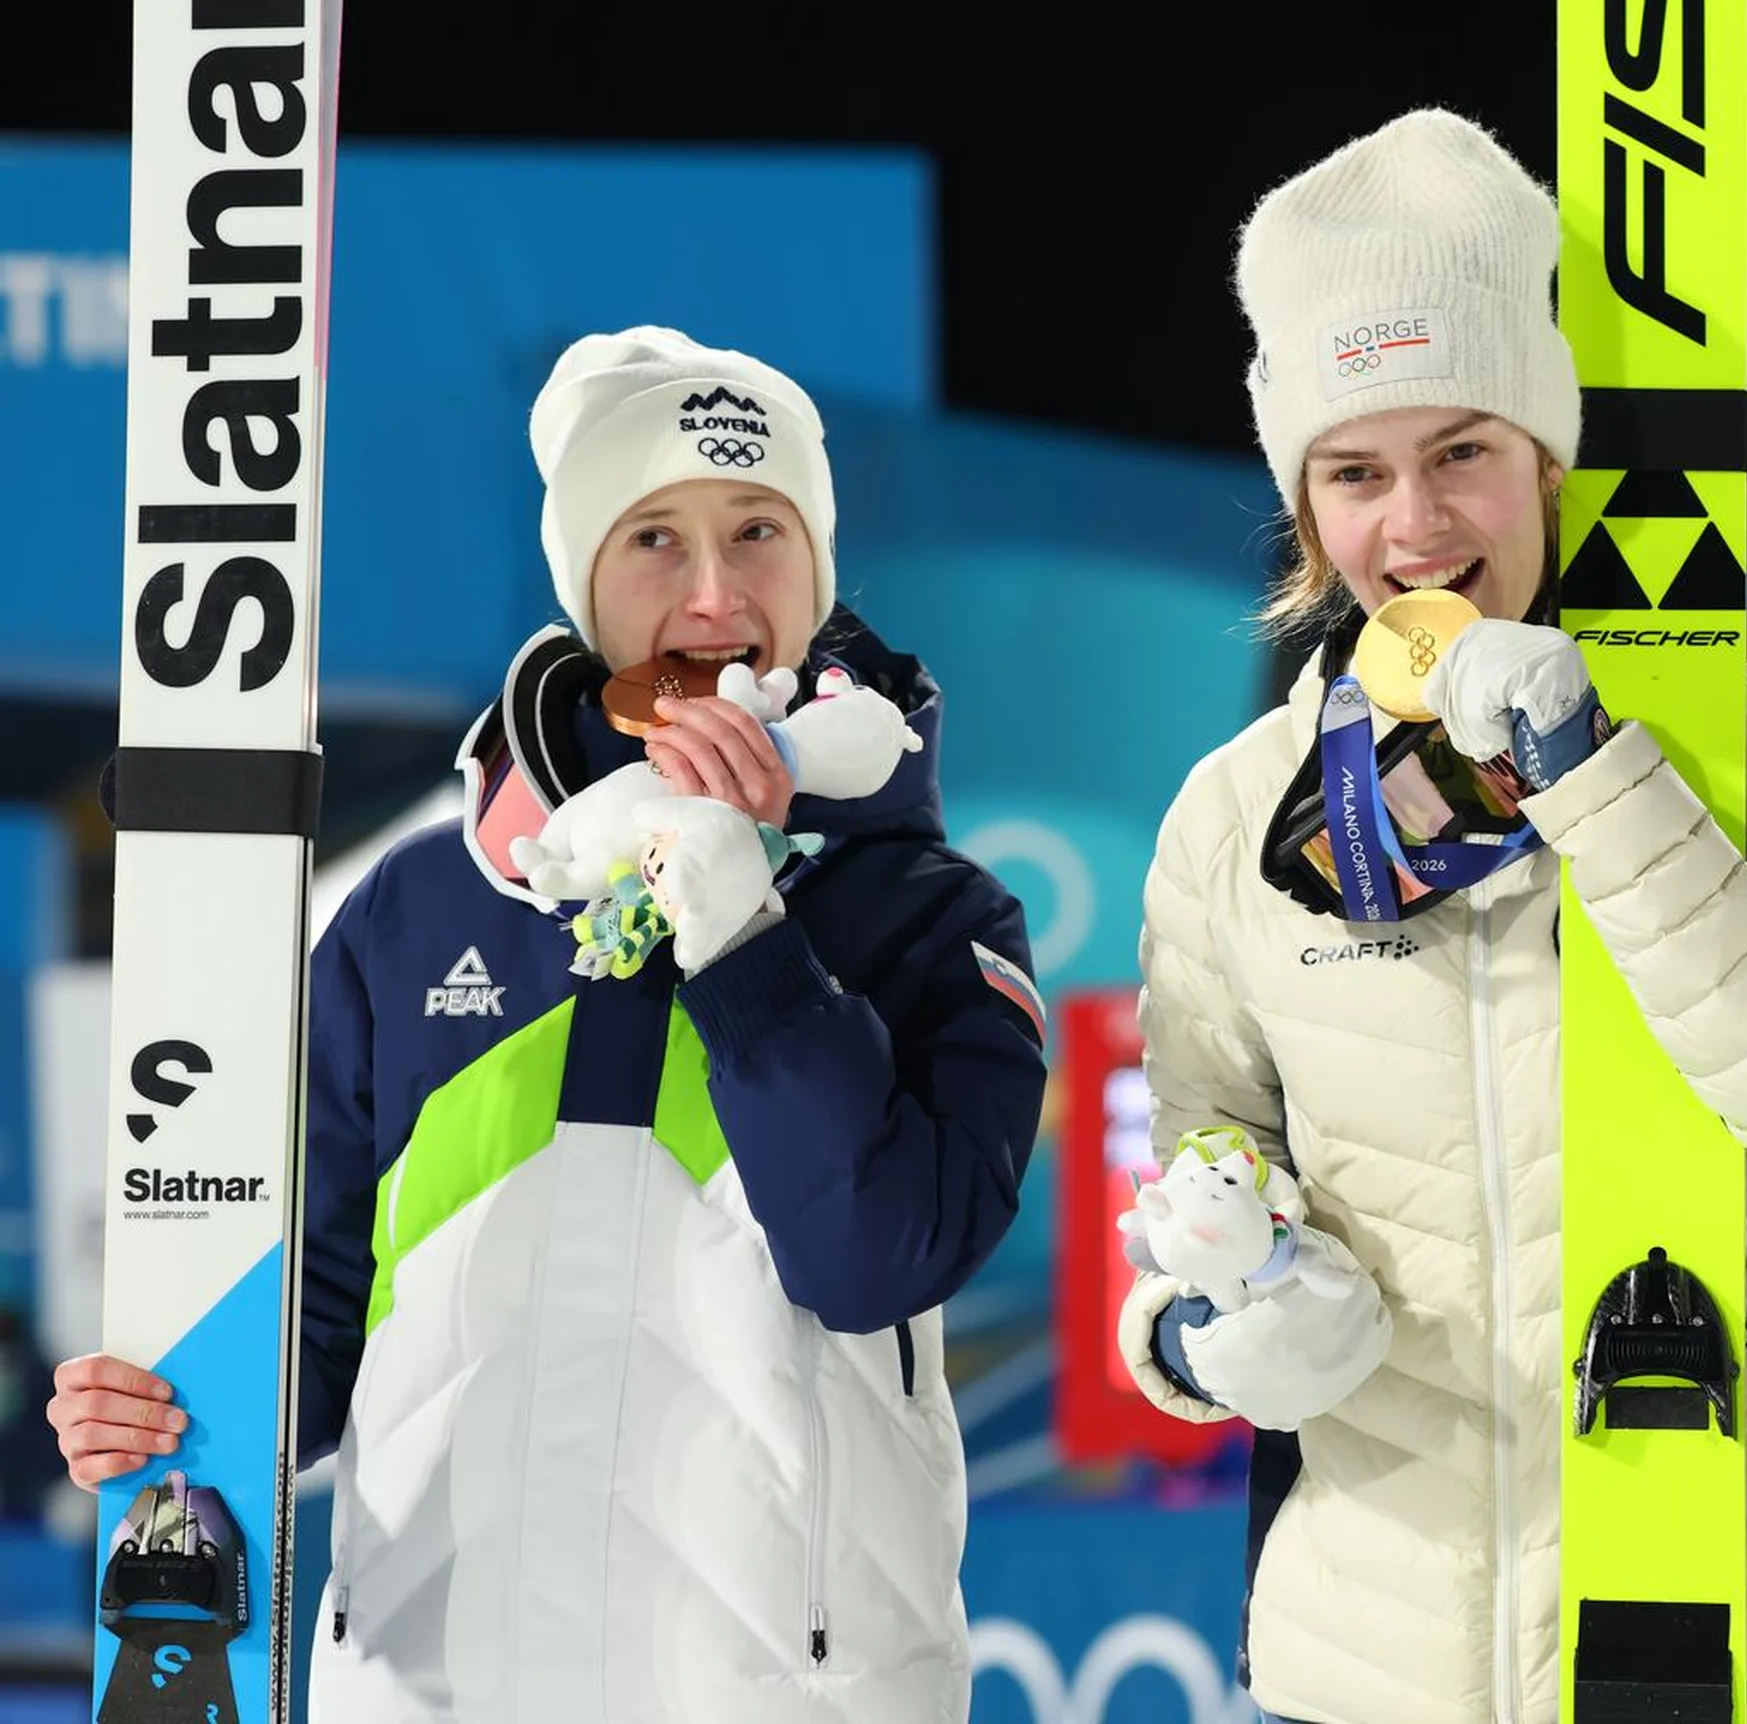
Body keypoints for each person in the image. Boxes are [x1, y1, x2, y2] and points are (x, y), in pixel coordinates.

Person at [52, 327, 1049, 1722]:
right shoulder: (415, 910)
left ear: (818, 568)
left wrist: (744, 931)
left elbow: (876, 1257)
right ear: (583, 588)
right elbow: (321, 1317)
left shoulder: (932, 920)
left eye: (759, 529)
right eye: (652, 539)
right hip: (432, 1686)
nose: (714, 592)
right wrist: (168, 1415)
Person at [1114, 108, 1747, 1724]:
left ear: (1551, 457)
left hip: (1702, 1622)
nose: (1416, 527)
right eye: (1355, 473)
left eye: (1464, 450)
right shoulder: (1233, 810)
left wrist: (1596, 774)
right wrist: (1202, 1335)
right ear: (1305, 502)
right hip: (1357, 1659)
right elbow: (1197, 1171)